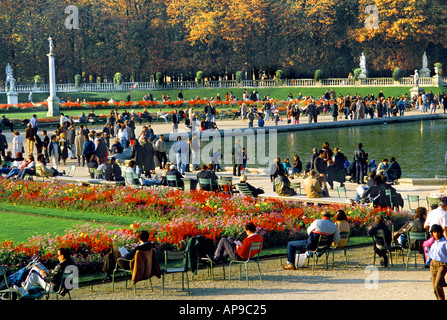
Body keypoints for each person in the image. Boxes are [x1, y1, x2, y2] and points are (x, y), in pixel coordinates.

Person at [427, 224, 447, 300]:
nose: (436, 234)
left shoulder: (445, 242)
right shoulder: (433, 242)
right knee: (434, 287)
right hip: (433, 264)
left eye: (438, 232)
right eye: (434, 232)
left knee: (437, 284)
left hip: (442, 265)